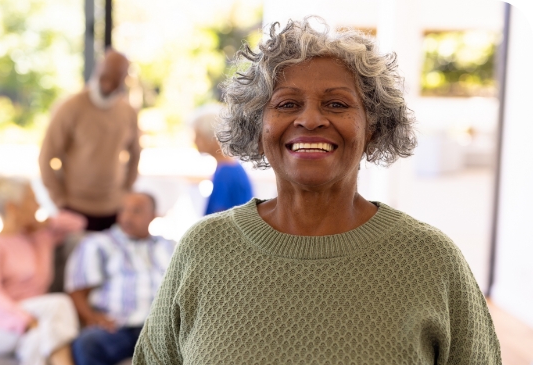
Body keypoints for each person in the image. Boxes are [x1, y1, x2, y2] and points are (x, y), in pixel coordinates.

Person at [133, 18, 502, 364]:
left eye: (337, 104)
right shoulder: (204, 248)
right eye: (287, 104)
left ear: (372, 127)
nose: (310, 119)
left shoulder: (431, 261)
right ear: (257, 127)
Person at [0, 174, 86, 365]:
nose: (38, 206)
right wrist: (27, 321)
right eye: (32, 200)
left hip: (36, 316)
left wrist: (45, 223)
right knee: (58, 304)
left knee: (37, 339)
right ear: (12, 207)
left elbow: (78, 223)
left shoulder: (40, 238)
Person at [65, 192, 175, 365]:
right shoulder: (98, 244)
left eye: (136, 211)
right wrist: (92, 317)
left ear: (153, 216)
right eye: (123, 210)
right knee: (88, 343)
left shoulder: (169, 246)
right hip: (116, 328)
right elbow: (77, 290)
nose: (127, 217)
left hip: (160, 328)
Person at [39, 49, 141, 231]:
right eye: (107, 72)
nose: (110, 79)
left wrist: (126, 191)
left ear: (125, 77)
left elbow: (135, 154)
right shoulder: (70, 107)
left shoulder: (128, 112)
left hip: (114, 209)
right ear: (98, 69)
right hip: (74, 207)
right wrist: (59, 200)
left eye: (117, 74)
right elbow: (46, 157)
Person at [191, 106, 253, 215]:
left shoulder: (226, 173)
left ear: (213, 137)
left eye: (198, 135)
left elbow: (217, 220)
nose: (195, 141)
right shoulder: (229, 168)